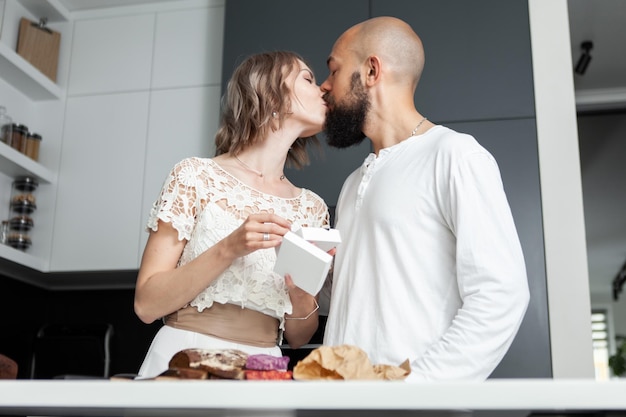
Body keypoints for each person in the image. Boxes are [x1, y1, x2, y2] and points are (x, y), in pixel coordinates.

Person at [320, 16, 530, 381]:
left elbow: (501, 295)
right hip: (341, 399)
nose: (324, 86)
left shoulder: (455, 155)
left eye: (334, 71)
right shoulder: (353, 182)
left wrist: (418, 387)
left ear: (371, 71)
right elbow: (354, 301)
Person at [134, 51, 330, 378]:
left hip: (265, 366)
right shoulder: (194, 176)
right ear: (270, 96)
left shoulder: (313, 208)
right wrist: (231, 247)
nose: (322, 88)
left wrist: (300, 292)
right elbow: (146, 305)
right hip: (184, 355)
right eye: (307, 79)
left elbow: (298, 337)